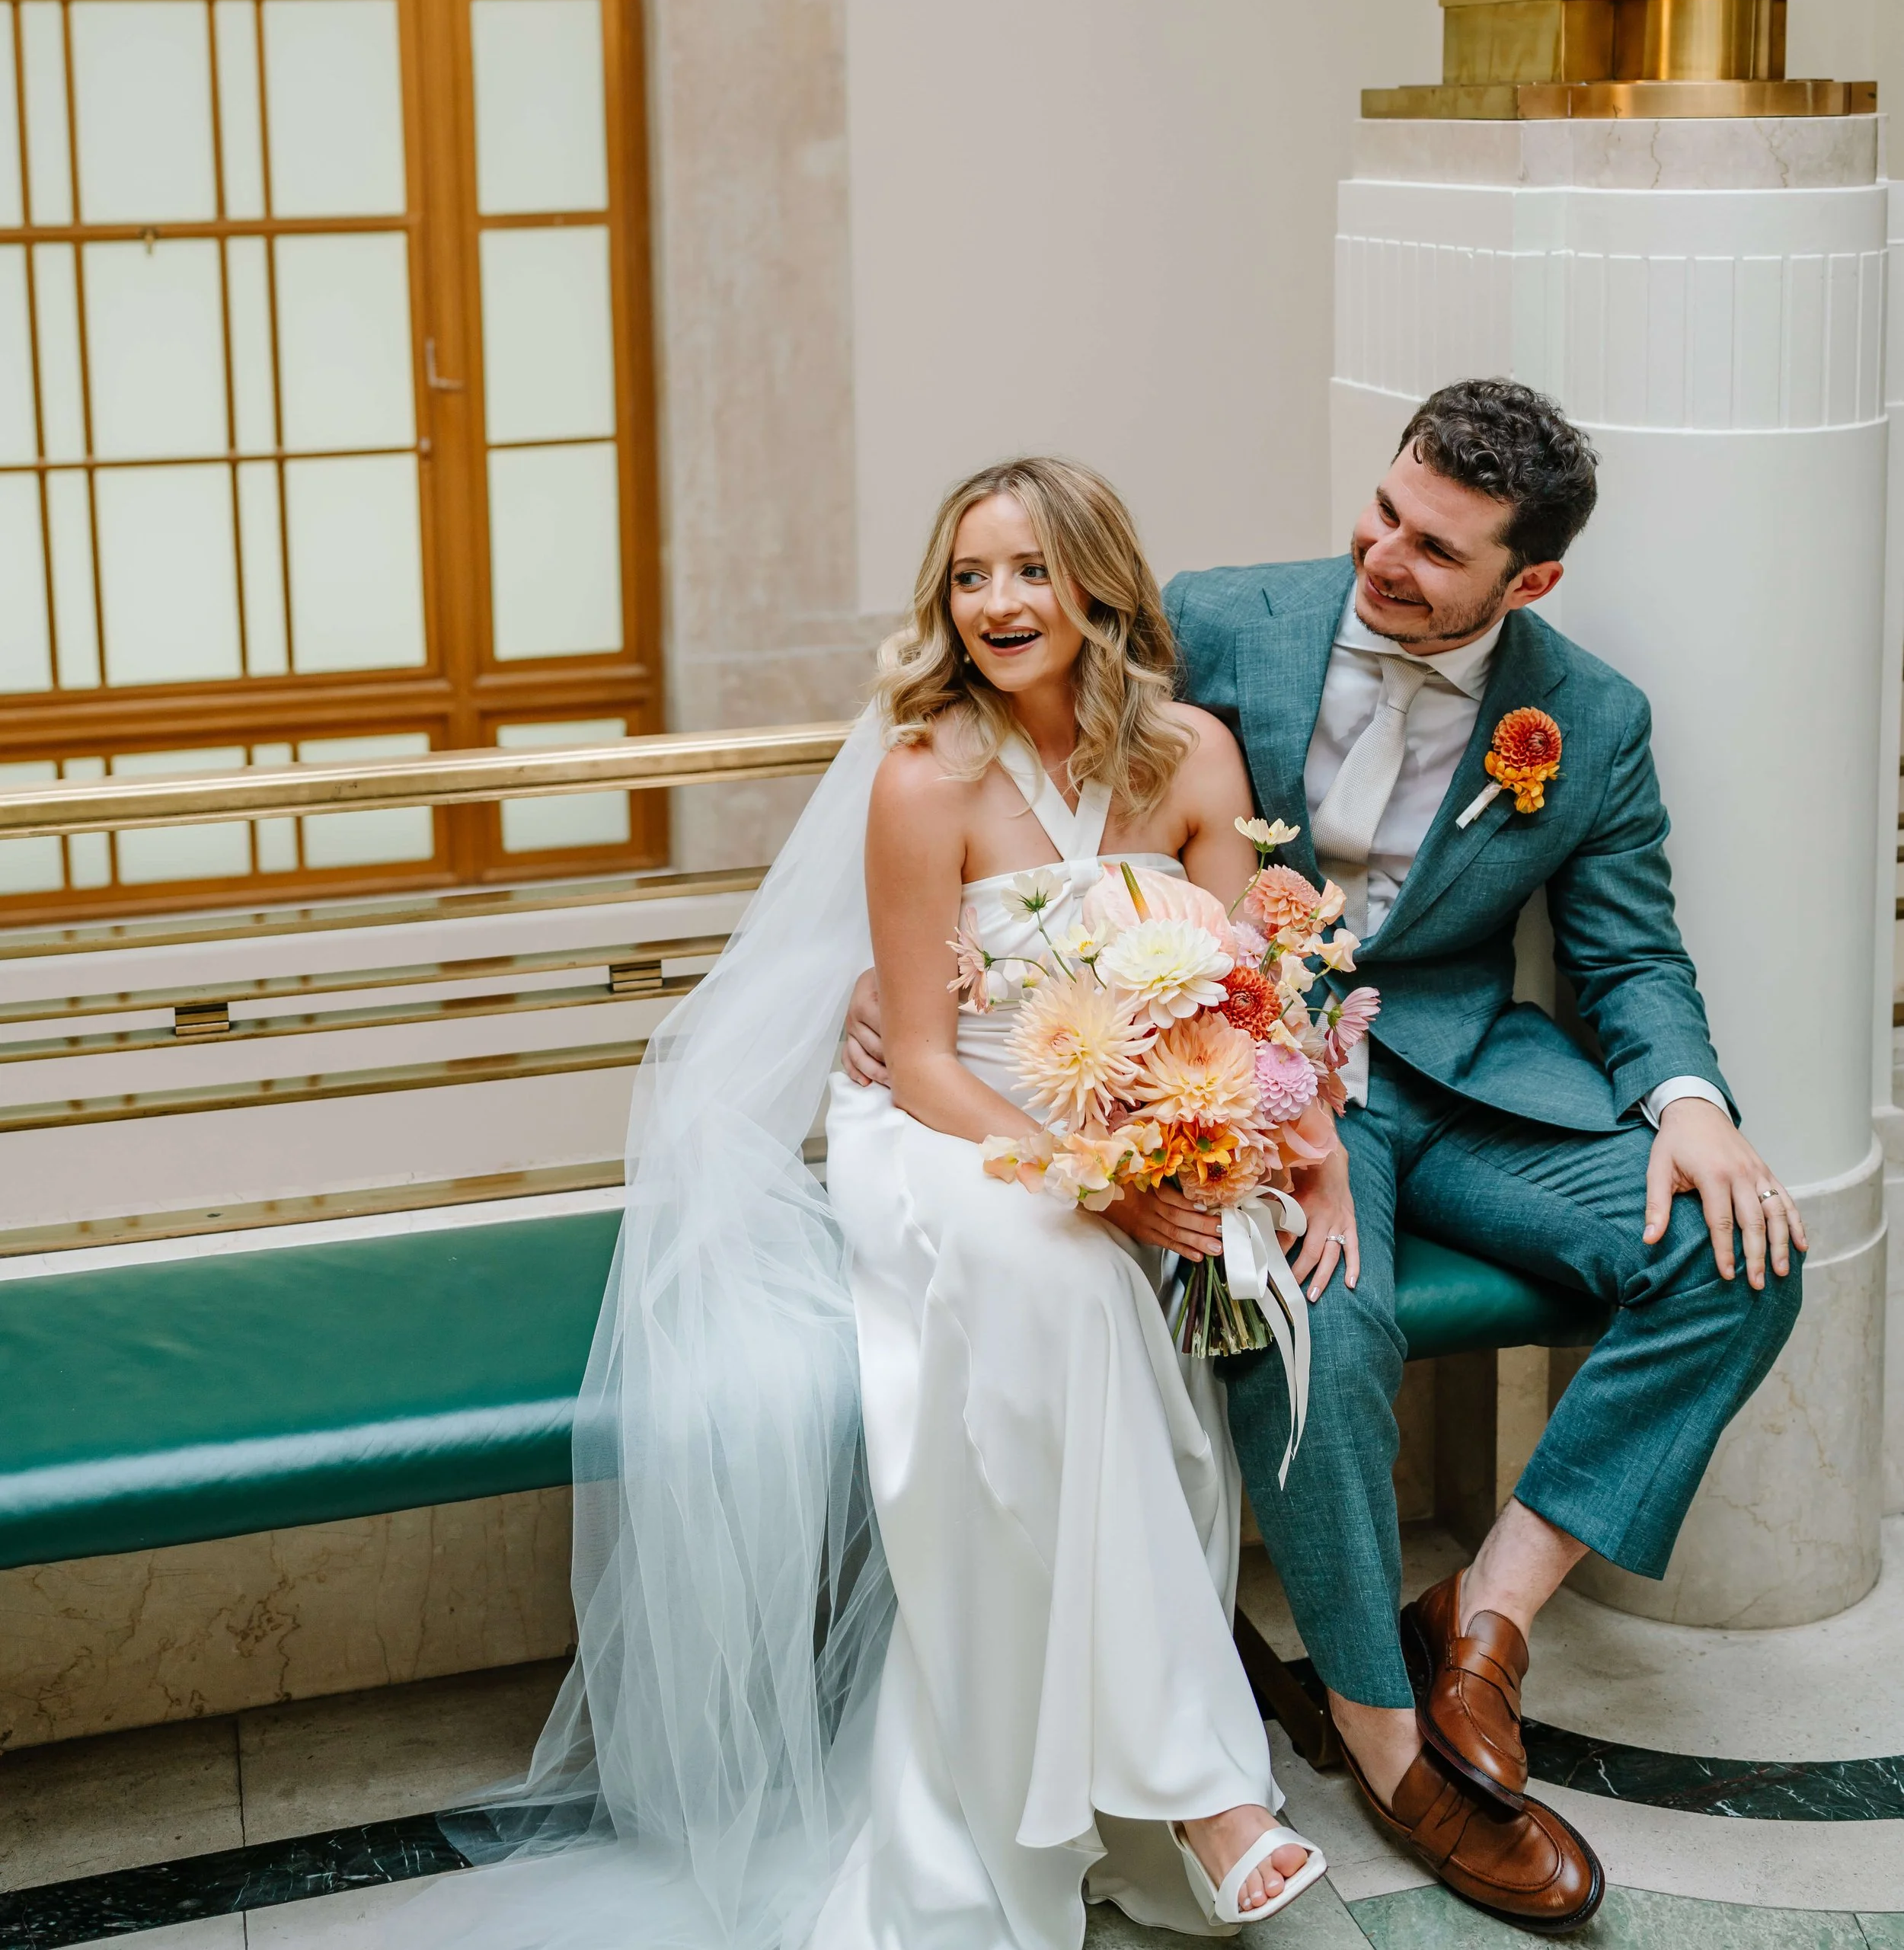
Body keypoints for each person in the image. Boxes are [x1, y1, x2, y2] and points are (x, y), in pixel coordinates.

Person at [847, 379, 1805, 1934]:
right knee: (1305, 1322)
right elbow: (1028, 763)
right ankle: (1377, 1730)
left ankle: (1479, 1619)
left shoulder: (1591, 716)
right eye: (1384, 510)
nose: (1382, 552)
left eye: (1434, 548)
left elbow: (1628, 955)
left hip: (1474, 1075)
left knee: (1736, 1254)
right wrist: (914, 976)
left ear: (1527, 579)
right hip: (1261, 1076)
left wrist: (1688, 1098)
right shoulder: (1221, 622)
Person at [392, 456, 1327, 1950]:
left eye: (1027, 568)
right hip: (942, 1139)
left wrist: (1207, 1149)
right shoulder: (924, 775)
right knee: (1061, 1271)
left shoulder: (1194, 760)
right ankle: (1206, 1796)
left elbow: (1247, 1005)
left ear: (1096, 583)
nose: (997, 601)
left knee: (1090, 1305)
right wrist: (1094, 1182)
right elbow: (925, 1058)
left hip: (1125, 1144)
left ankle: (1145, 1780)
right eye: (969, 575)